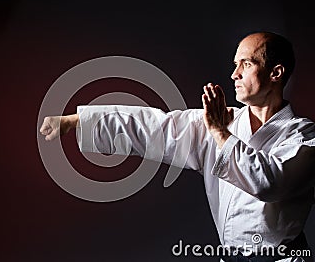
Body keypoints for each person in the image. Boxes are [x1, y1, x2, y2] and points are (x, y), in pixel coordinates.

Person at [40, 31, 315, 261]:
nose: (234, 74)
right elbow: (153, 127)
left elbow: (269, 183)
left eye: (246, 63)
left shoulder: (303, 136)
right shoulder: (221, 120)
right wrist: (75, 121)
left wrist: (220, 133)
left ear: (276, 72)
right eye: (235, 64)